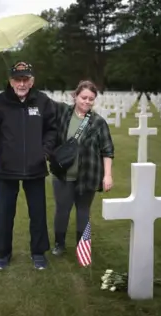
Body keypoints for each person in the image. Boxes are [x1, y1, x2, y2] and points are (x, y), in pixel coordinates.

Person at [0, 61, 57, 270]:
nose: (21, 84)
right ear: (11, 81)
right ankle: (3, 253)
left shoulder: (42, 101)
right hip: (6, 167)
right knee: (4, 213)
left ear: (32, 81)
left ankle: (38, 252)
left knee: (38, 213)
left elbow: (52, 129)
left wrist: (45, 151)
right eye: (17, 79)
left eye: (25, 79)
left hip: (35, 167)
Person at [49, 80, 114, 256]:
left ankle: (82, 246)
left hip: (88, 175)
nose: (87, 101)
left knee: (83, 210)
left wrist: (108, 175)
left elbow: (107, 150)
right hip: (63, 175)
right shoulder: (63, 113)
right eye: (84, 97)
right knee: (62, 210)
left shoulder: (98, 122)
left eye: (91, 99)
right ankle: (59, 244)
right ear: (75, 96)